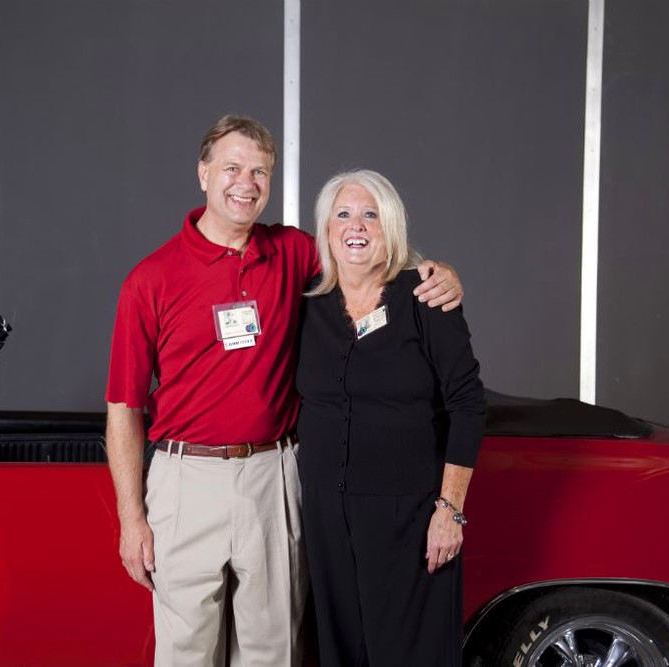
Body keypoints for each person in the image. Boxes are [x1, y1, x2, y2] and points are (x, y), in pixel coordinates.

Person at [105, 116, 463, 666]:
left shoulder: (293, 252)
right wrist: (132, 519)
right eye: (232, 168)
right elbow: (124, 408)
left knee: (274, 651)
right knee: (186, 652)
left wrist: (435, 273)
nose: (245, 184)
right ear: (203, 174)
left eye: (260, 172)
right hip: (185, 479)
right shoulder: (150, 279)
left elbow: (366, 254)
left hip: (273, 475)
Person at [295, 169, 486, 666]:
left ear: (391, 226)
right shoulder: (308, 303)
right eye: (343, 214)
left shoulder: (425, 296)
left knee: (409, 653)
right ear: (327, 229)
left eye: (370, 214)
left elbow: (467, 404)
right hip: (326, 516)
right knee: (339, 652)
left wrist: (450, 511)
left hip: (410, 518)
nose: (355, 226)